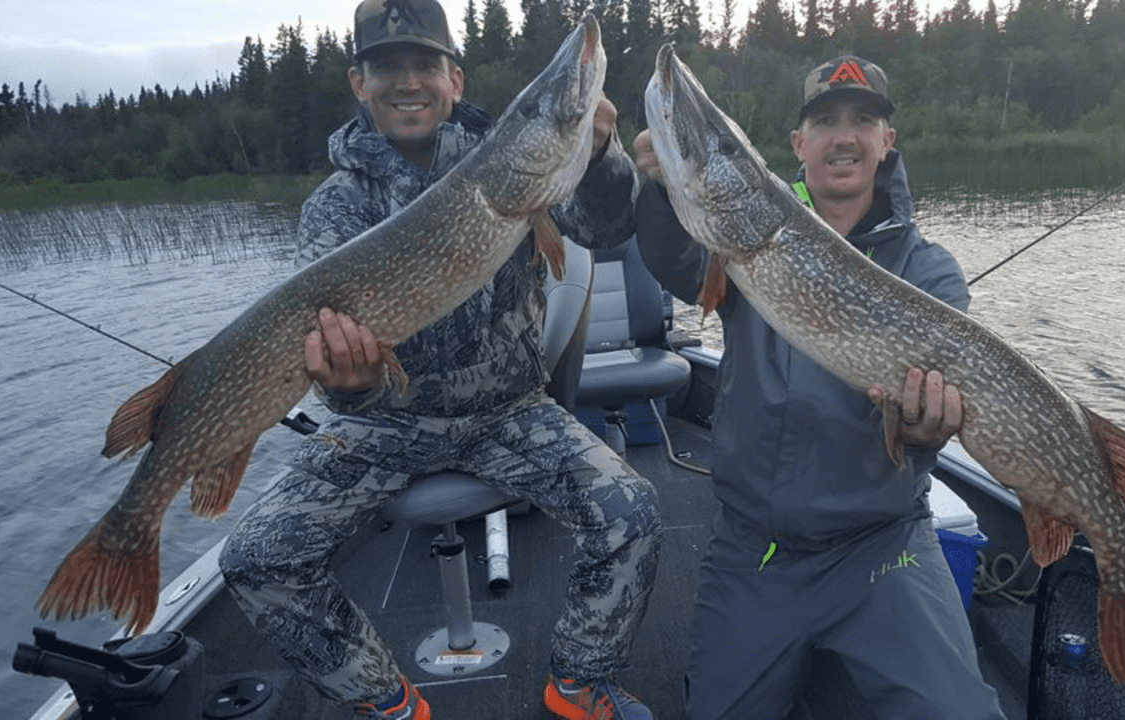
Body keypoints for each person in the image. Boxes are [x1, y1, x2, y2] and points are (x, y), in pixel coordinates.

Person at [218, 2, 661, 719]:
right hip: (384, 427)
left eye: (425, 65)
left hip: (509, 413)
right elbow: (335, 382)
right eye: (388, 68)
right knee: (255, 560)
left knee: (632, 513)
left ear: (454, 80)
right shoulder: (333, 209)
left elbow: (605, 227)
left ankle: (578, 681)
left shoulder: (514, 161)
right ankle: (383, 700)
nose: (408, 83)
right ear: (359, 83)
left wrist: (599, 152)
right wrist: (354, 389)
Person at [632, 56, 1006, 719]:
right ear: (798, 145)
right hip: (756, 550)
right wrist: (660, 190)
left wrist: (925, 429)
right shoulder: (744, 242)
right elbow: (674, 260)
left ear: (886, 142)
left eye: (863, 122)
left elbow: (931, 427)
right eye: (825, 121)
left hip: (883, 548)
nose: (844, 136)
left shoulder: (930, 271)